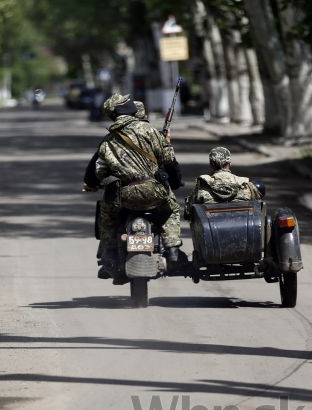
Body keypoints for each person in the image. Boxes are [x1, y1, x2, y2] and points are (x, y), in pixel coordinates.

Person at [90, 94, 184, 279]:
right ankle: (172, 250)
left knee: (106, 213)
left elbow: (99, 171)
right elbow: (169, 161)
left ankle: (108, 253)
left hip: (124, 197)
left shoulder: (108, 141)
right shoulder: (150, 131)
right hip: (155, 193)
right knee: (171, 209)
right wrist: (174, 181)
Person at [184, 147, 263, 218]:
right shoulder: (246, 186)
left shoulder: (202, 188)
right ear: (230, 164)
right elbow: (259, 209)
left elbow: (188, 212)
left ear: (211, 166)